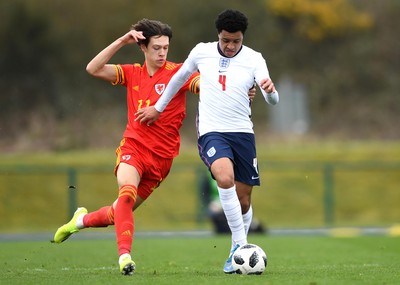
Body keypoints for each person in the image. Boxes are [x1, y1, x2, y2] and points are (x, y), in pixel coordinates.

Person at [51, 18, 255, 276]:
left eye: (165, 47)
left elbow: (208, 84)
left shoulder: (178, 73)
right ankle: (125, 257)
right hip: (133, 147)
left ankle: (79, 220)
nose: (162, 52)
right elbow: (93, 68)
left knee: (118, 212)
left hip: (162, 160)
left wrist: (240, 89)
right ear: (143, 48)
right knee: (126, 194)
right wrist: (122, 40)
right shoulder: (132, 73)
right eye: (156, 47)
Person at [136, 9, 279, 274]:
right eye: (226, 40)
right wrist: (158, 107)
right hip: (212, 131)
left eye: (236, 41)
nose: (230, 46)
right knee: (224, 178)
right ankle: (239, 247)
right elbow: (178, 78)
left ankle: (238, 246)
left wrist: (270, 92)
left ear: (242, 38)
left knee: (244, 200)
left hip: (243, 133)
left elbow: (271, 97)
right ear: (219, 35)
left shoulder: (255, 59)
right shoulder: (202, 51)